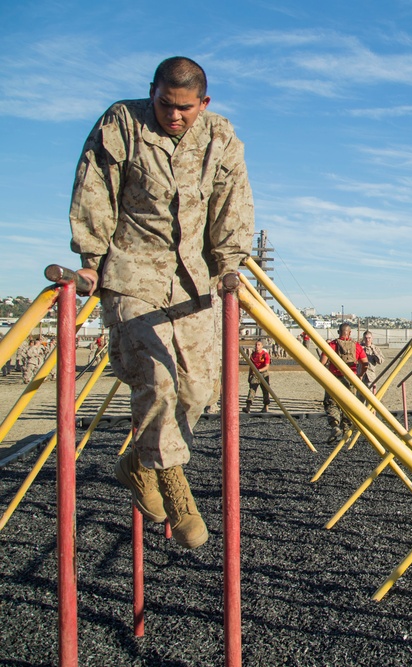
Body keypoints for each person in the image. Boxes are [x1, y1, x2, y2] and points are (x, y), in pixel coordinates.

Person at [69, 56, 254, 549]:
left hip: (192, 278)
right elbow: (95, 191)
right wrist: (91, 256)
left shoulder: (219, 135)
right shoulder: (122, 123)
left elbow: (232, 201)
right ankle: (177, 491)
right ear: (152, 92)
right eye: (166, 105)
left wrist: (230, 262)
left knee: (198, 389)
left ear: (204, 103)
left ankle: (137, 462)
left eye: (186, 109)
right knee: (156, 377)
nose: (175, 116)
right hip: (133, 270)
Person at [319, 323, 368, 443]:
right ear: (349, 333)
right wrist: (360, 375)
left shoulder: (332, 345)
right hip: (350, 379)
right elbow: (365, 363)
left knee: (331, 403)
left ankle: (335, 426)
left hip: (334, 378)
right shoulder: (356, 346)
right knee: (349, 405)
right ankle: (346, 432)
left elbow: (322, 363)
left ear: (338, 332)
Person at [245, 340, 272, 413]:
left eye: (259, 345)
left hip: (263, 374)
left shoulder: (265, 354)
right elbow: (251, 366)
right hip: (255, 374)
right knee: (252, 390)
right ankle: (248, 407)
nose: (257, 346)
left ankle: (266, 406)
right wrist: (249, 375)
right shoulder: (253, 355)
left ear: (262, 346)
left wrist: (259, 370)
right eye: (256, 345)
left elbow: (267, 366)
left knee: (265, 390)